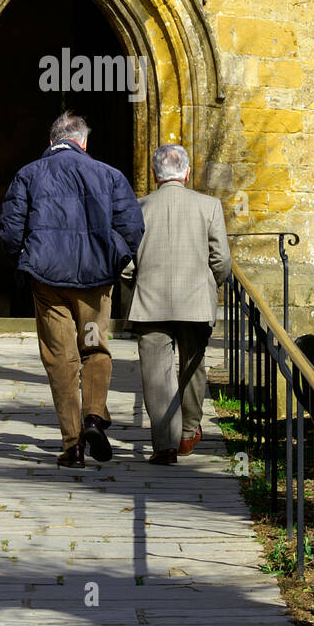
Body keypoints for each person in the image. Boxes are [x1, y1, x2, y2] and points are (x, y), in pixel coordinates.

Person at [0, 112, 145, 468]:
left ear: (52, 142)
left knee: (60, 359)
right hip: (95, 285)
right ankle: (94, 416)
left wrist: (23, 261)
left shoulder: (29, 174)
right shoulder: (109, 175)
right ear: (83, 143)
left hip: (48, 283)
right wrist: (113, 257)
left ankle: (73, 444)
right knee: (94, 347)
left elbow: (9, 229)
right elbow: (133, 228)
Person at [126, 144, 230, 465]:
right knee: (193, 366)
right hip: (195, 302)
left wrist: (136, 280)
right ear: (187, 173)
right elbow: (222, 259)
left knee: (156, 374)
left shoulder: (138, 208)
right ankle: (188, 432)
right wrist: (210, 283)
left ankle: (165, 446)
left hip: (150, 303)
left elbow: (126, 263)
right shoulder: (209, 206)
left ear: (155, 174)